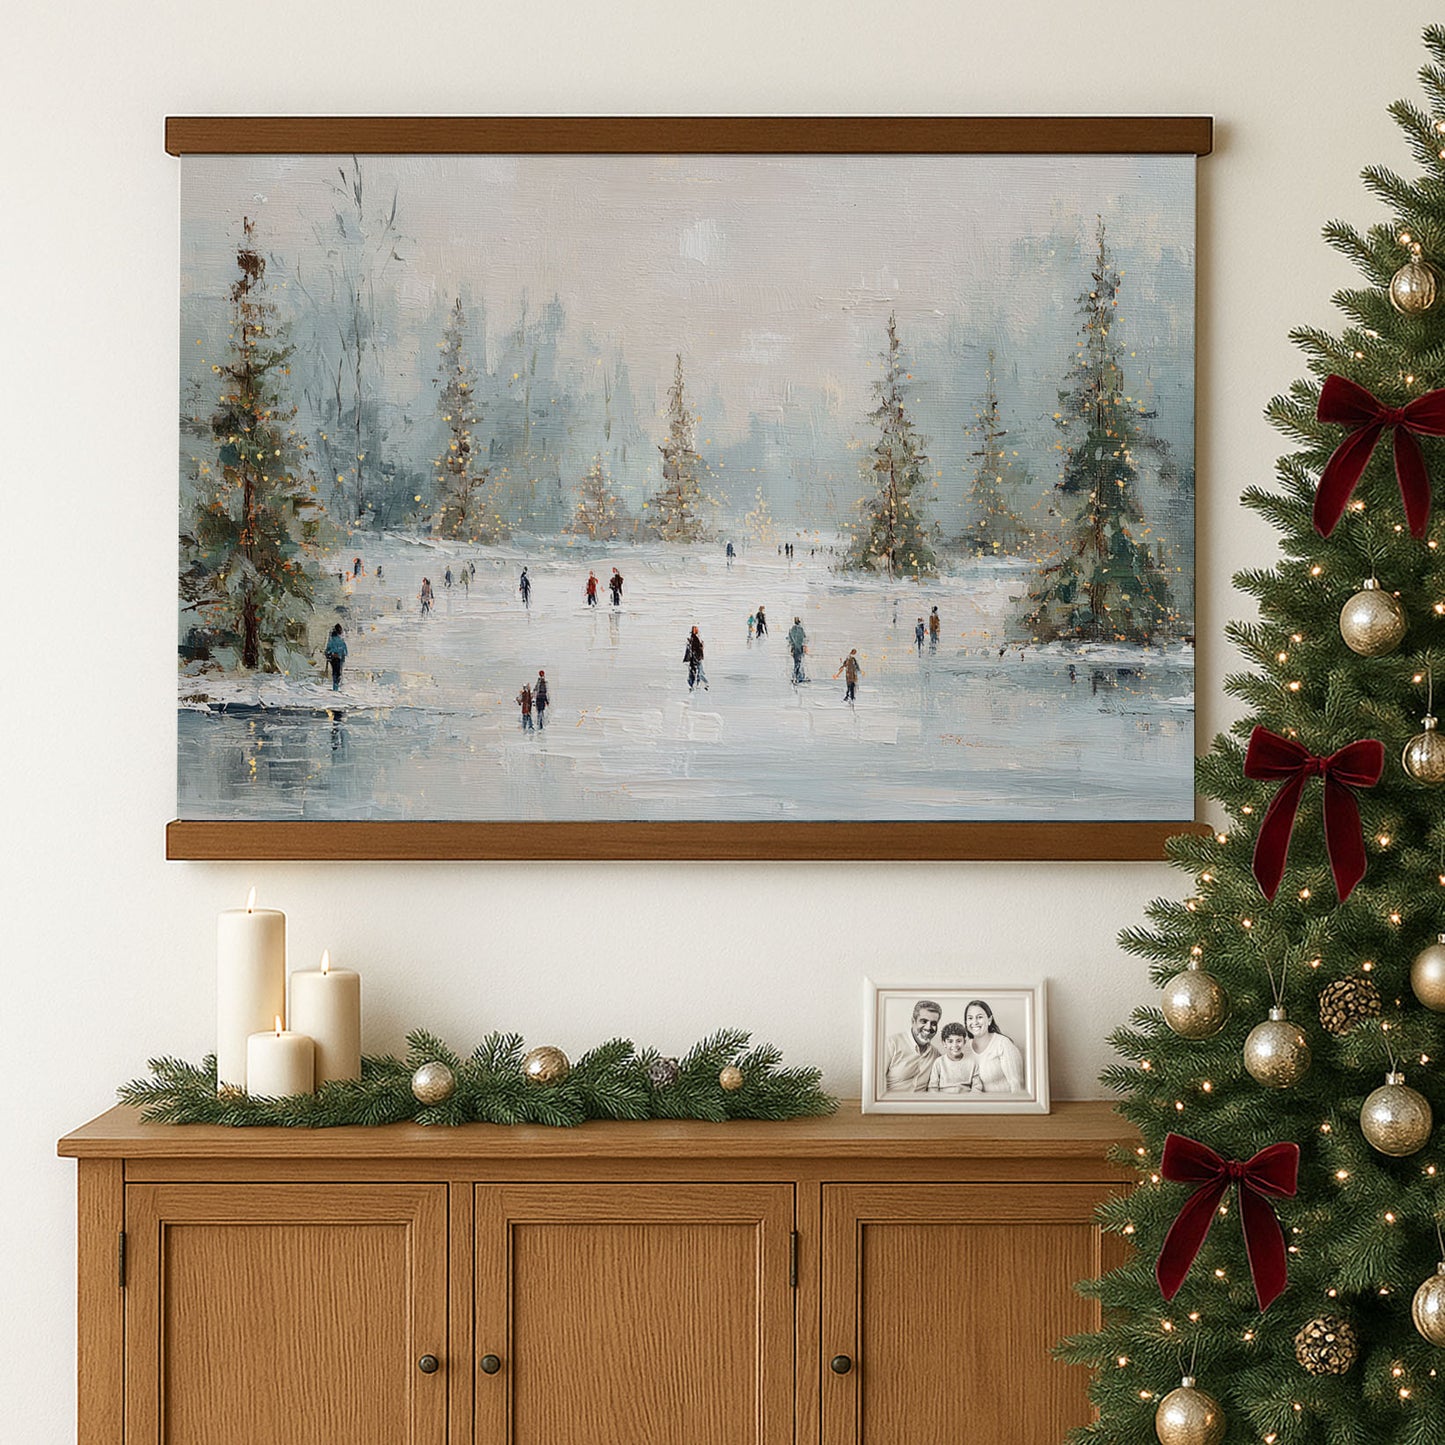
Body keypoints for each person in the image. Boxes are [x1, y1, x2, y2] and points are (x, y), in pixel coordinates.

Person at [962, 999, 1026, 1094]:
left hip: (1004, 1105)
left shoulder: (1003, 1044)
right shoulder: (964, 1048)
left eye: (979, 1017)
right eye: (970, 1018)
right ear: (966, 1022)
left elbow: (1017, 1085)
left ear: (989, 1020)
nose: (974, 1022)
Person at [884, 999, 942, 1092]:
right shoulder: (891, 1043)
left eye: (933, 1023)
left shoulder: (936, 1055)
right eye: (923, 1021)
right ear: (913, 1021)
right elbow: (874, 1084)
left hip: (922, 1105)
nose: (928, 1027)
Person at [927, 1023, 978, 1093]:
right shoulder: (939, 1063)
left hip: (965, 1100)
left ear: (964, 1042)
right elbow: (933, 1088)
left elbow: (977, 1087)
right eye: (950, 1041)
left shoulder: (972, 1062)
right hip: (943, 1100)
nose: (955, 1045)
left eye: (959, 1041)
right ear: (944, 1043)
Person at [323, 624, 348, 691]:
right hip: (338, 658)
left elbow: (327, 650)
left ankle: (335, 686)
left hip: (333, 658)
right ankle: (336, 687)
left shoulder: (331, 640)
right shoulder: (340, 641)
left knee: (335, 672)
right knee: (338, 672)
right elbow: (345, 652)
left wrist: (328, 654)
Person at [684, 626, 707, 691]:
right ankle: (699, 684)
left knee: (696, 671)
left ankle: (696, 685)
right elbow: (694, 649)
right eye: (694, 629)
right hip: (695, 658)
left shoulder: (695, 638)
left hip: (695, 658)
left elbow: (694, 649)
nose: (695, 630)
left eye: (696, 629)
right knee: (697, 671)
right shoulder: (694, 638)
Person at [786, 616, 808, 683]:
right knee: (799, 662)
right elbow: (804, 638)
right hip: (800, 647)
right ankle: (798, 676)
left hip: (794, 648)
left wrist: (791, 645)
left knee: (796, 662)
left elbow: (789, 639)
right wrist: (804, 646)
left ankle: (796, 676)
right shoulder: (801, 629)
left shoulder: (791, 629)